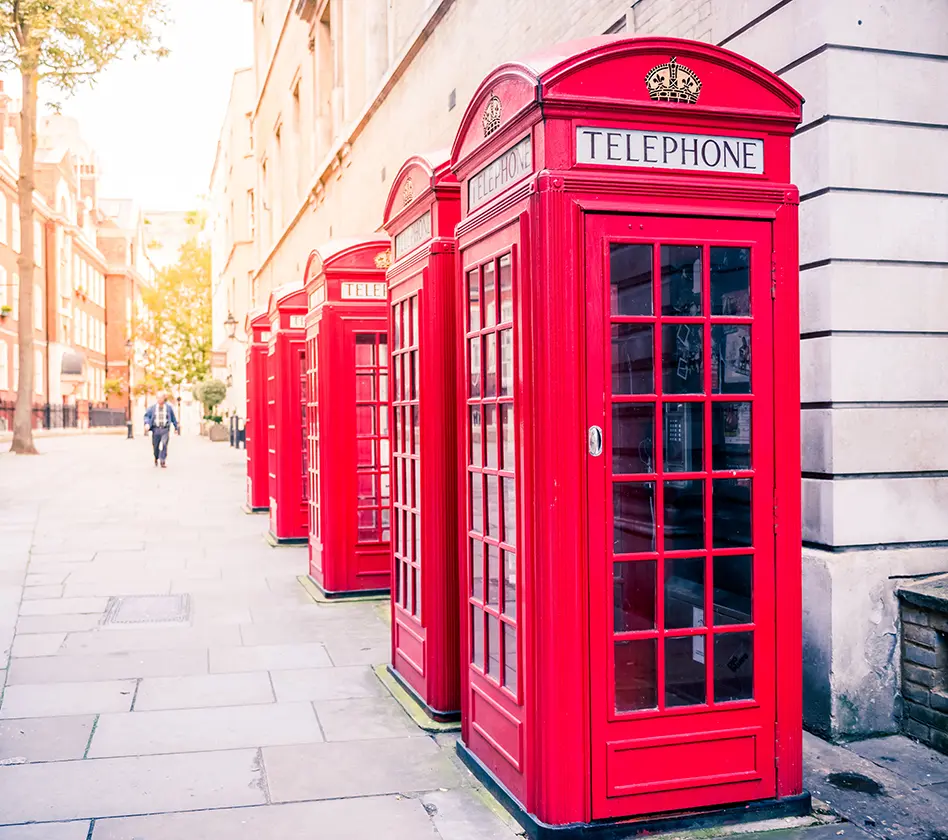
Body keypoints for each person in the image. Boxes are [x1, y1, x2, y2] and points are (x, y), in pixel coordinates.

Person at [143, 393, 180, 468]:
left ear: (164, 398)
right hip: (156, 429)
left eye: (161, 398)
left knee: (164, 444)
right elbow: (146, 416)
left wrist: (176, 427)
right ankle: (156, 457)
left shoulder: (168, 408)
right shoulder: (152, 408)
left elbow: (173, 418)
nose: (160, 400)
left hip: (165, 429)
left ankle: (162, 460)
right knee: (155, 446)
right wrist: (147, 423)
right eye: (158, 398)